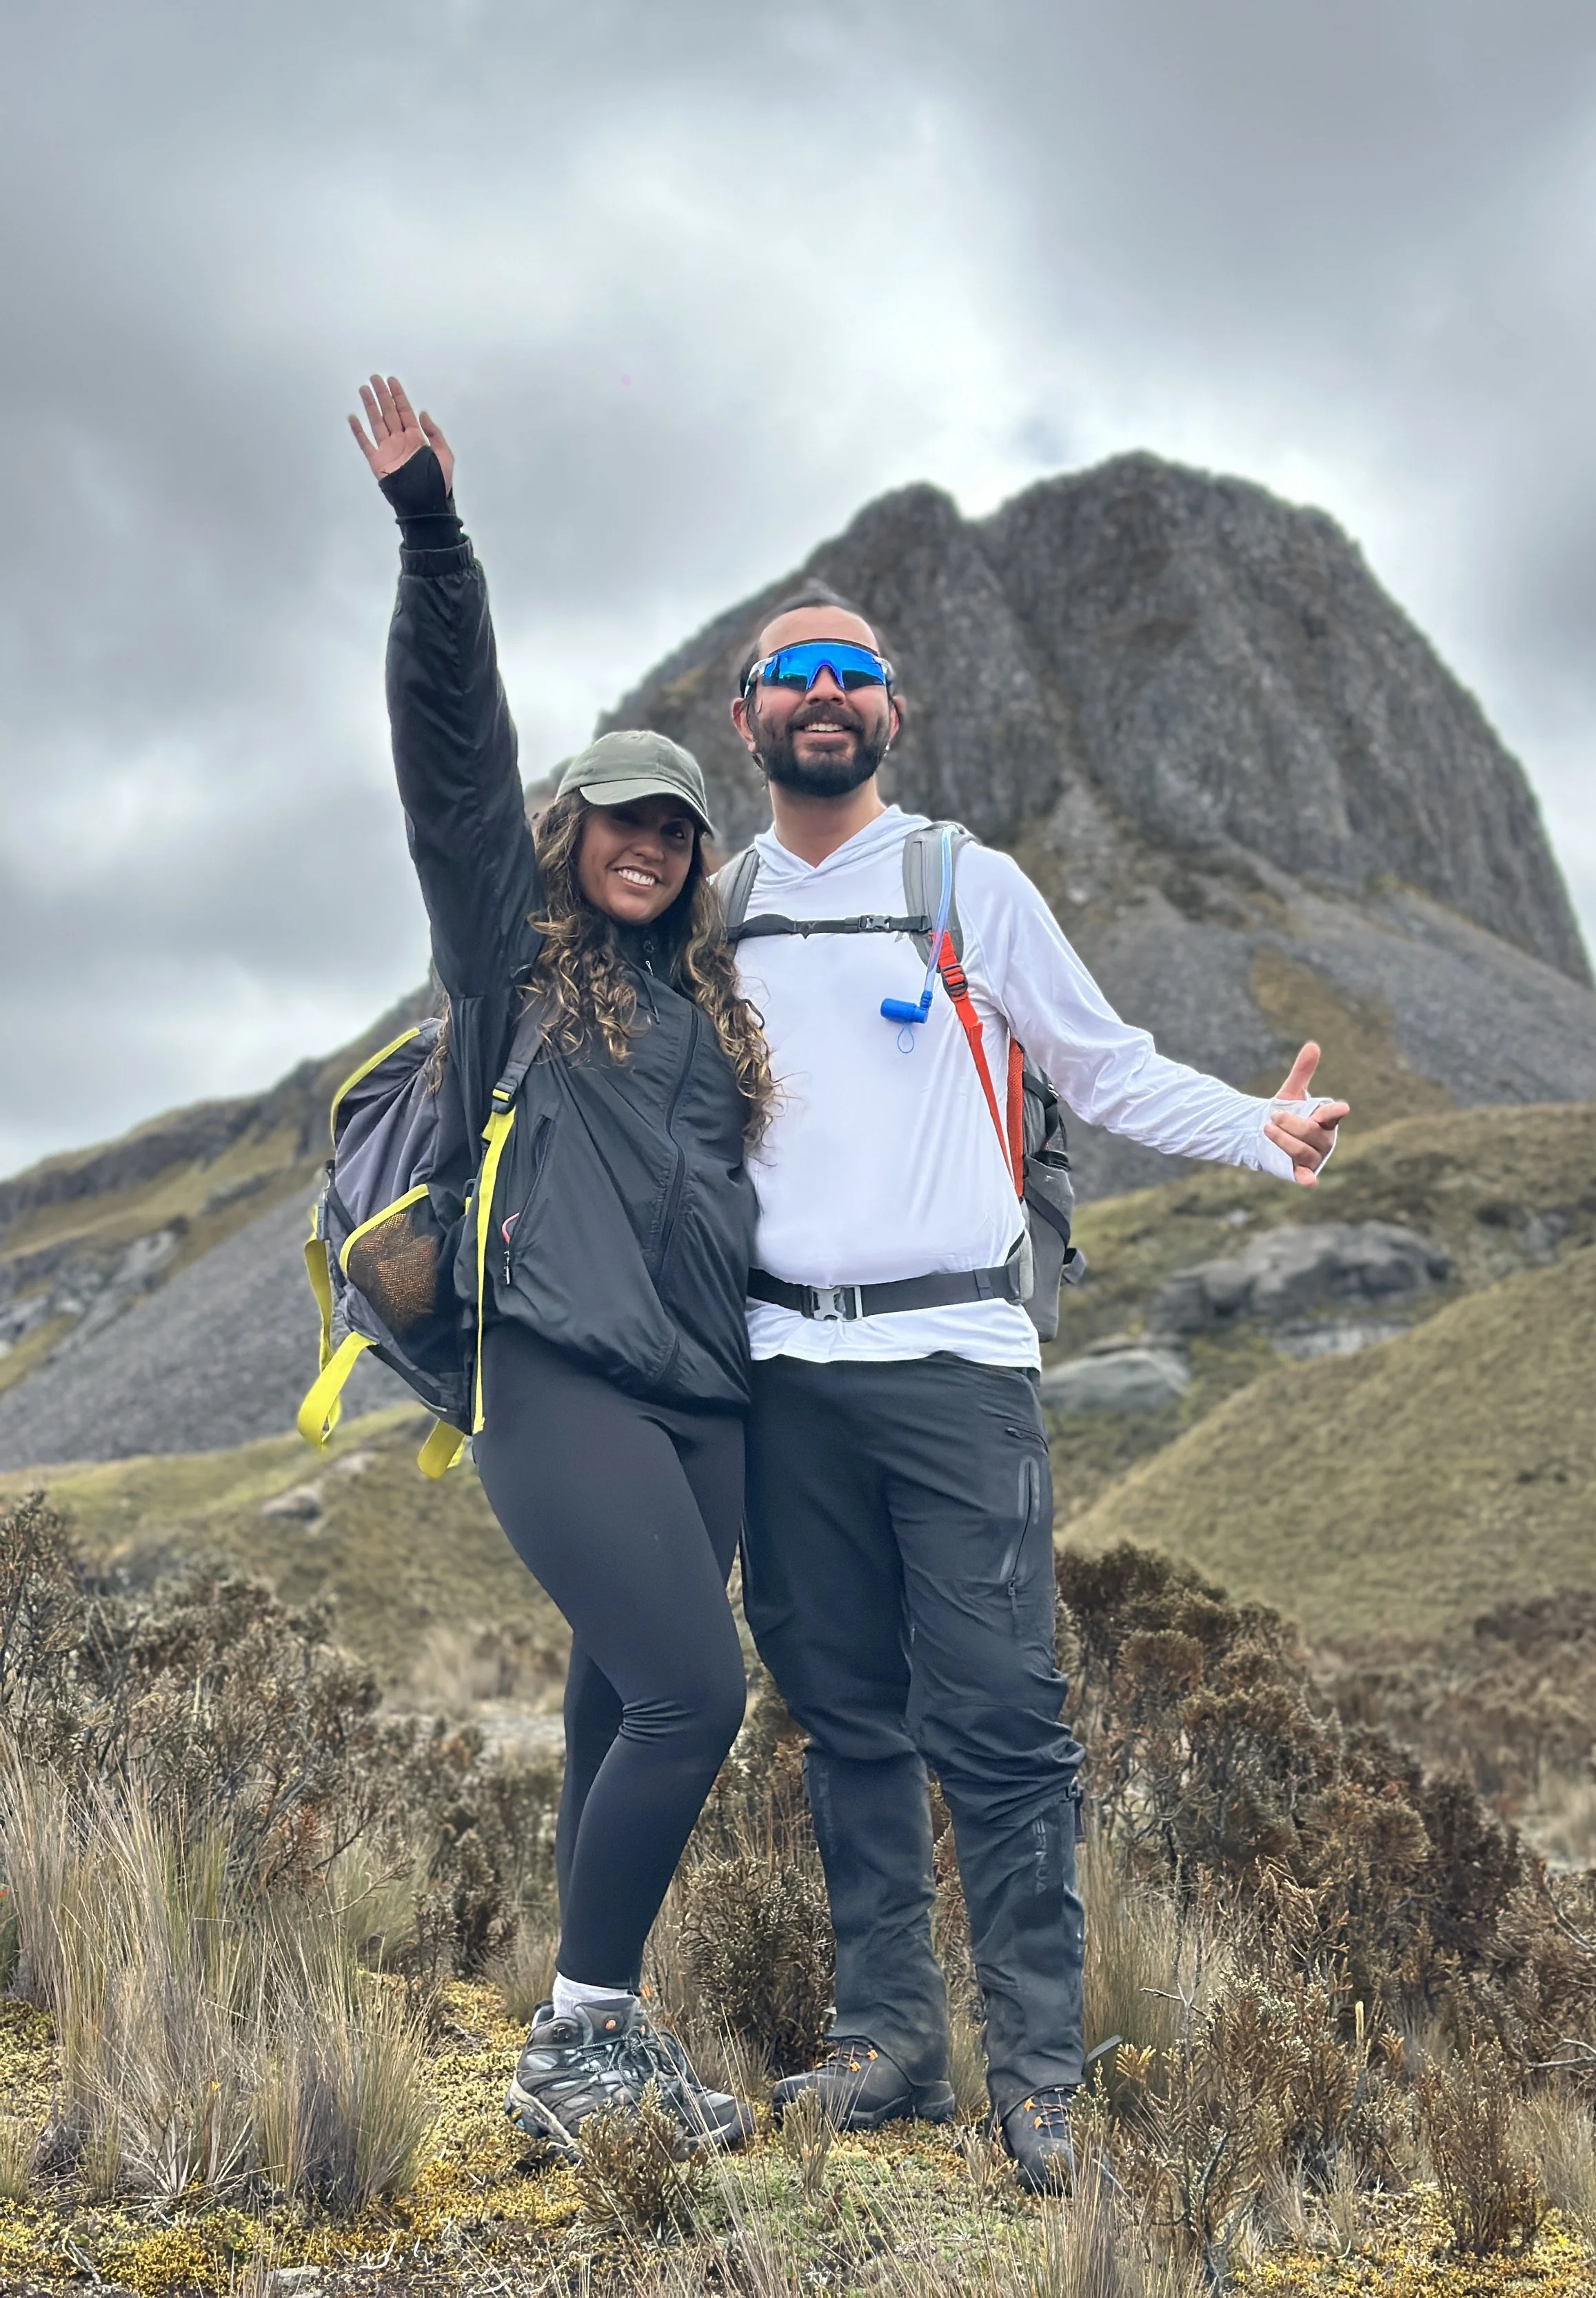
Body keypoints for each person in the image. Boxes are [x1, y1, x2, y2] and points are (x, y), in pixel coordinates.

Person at [723, 591, 1349, 2190]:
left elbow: (1103, 1063)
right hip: (781, 1368)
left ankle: (1042, 2082)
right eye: (789, 675)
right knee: (845, 1719)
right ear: (747, 720)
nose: (820, 694)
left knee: (1002, 1722)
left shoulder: (964, 886)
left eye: (849, 673)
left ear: (891, 711)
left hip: (955, 1365)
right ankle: (885, 2049)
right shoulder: (708, 912)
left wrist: (1254, 1131)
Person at [347, 375, 771, 2156]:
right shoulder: (507, 964)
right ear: (572, 827)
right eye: (619, 813)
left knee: (620, 1707)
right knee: (699, 1692)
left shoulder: (712, 1019)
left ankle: (589, 2034)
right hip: (558, 1377)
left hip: (704, 1403)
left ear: (691, 866)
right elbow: (455, 757)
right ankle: (580, 2041)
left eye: (674, 828)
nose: (645, 841)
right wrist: (435, 539)